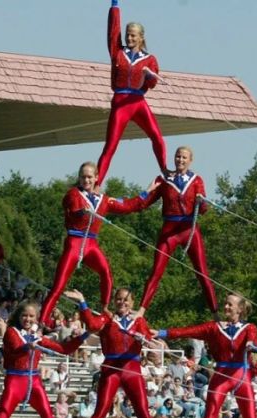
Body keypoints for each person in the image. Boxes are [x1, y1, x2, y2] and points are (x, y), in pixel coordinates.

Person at [39, 162, 153, 327]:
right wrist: (82, 212)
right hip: (75, 242)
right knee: (59, 284)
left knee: (106, 272)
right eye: (83, 177)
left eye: (89, 177)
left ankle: (105, 306)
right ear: (79, 178)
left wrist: (146, 193)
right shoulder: (73, 194)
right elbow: (70, 208)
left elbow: (128, 206)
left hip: (91, 243)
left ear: (96, 178)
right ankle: (43, 319)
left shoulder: (104, 199)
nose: (86, 180)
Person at [153, 293, 257, 418]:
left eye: (229, 305)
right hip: (221, 373)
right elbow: (188, 331)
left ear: (240, 309)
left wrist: (251, 346)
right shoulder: (214, 328)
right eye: (225, 304)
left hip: (242, 374)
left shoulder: (249, 328)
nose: (225, 307)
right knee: (210, 416)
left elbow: (252, 339)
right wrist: (163, 333)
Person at [120, 146, 216, 316]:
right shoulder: (164, 179)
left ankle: (216, 314)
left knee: (202, 273)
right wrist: (142, 193)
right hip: (169, 232)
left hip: (189, 230)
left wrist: (201, 202)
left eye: (184, 157)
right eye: (178, 157)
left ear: (190, 160)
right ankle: (141, 310)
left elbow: (203, 210)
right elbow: (142, 204)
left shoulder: (196, 180)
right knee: (156, 271)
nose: (180, 160)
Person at [67, 288, 159, 418]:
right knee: (101, 409)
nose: (122, 302)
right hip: (111, 368)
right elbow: (92, 325)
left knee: (143, 411)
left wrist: (143, 339)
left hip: (132, 368)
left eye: (126, 300)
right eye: (119, 299)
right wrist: (82, 302)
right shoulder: (107, 319)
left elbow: (153, 346)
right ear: (114, 301)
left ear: (132, 303)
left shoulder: (138, 321)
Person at [96, 0, 169, 183]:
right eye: (128, 35)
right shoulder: (117, 52)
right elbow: (113, 31)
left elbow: (152, 84)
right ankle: (96, 184)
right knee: (111, 145)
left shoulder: (150, 59)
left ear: (141, 38)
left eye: (133, 36)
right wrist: (114, 6)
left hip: (138, 102)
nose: (129, 39)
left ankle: (165, 170)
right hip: (121, 101)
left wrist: (148, 75)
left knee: (157, 137)